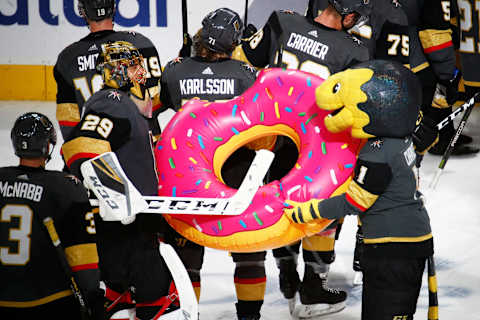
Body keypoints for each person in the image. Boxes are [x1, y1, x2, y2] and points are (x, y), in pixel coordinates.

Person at [232, 0, 371, 317]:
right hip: (321, 144)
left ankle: (286, 271)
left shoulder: (284, 21)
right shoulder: (355, 51)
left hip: (274, 136)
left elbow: (244, 62)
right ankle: (312, 284)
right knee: (323, 216)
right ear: (348, 14)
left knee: (280, 201)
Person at [285, 60, 437, 320]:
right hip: (408, 242)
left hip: (393, 249)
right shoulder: (399, 136)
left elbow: (354, 203)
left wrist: (308, 210)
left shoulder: (377, 153)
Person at [159, 8, 267, 320]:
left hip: (186, 176)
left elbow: (151, 110)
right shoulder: (246, 76)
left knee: (188, 257)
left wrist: (184, 66)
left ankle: (188, 315)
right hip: (236, 176)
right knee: (249, 254)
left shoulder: (174, 71)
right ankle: (249, 316)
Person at [61, 41, 175, 320]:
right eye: (135, 66)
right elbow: (80, 146)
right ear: (121, 70)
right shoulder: (112, 102)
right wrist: (117, 195)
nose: (141, 72)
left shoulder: (122, 103)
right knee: (161, 303)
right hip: (129, 230)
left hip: (129, 225)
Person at [0, 112, 102, 319]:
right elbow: (84, 260)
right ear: (48, 146)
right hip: (51, 299)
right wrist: (93, 298)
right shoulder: (67, 187)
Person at [53, 0, 163, 142]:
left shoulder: (67, 58)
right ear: (113, 9)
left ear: (82, 12)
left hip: (97, 149)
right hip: (143, 146)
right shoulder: (140, 44)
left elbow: (68, 123)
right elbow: (156, 101)